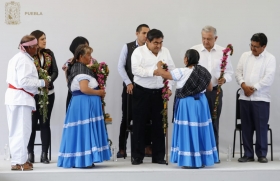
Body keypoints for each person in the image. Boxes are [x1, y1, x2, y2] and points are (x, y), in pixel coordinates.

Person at [155, 49, 219, 168]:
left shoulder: (181, 71)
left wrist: (159, 64)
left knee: (188, 130)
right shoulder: (204, 71)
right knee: (200, 129)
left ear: (186, 59)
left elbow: (163, 74)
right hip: (201, 103)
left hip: (187, 103)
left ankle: (189, 160)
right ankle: (202, 158)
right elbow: (210, 88)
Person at [57, 44, 111, 168]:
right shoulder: (81, 70)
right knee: (84, 131)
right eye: (88, 55)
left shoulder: (79, 68)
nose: (90, 57)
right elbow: (84, 88)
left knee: (82, 131)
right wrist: (99, 92)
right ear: (81, 56)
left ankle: (84, 158)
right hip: (84, 104)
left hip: (83, 103)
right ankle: (84, 160)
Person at [131, 29, 175, 165]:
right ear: (147, 41)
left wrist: (169, 88)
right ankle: (137, 156)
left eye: (160, 42)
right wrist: (154, 72)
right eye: (155, 43)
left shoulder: (165, 52)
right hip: (142, 92)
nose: (158, 46)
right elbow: (135, 70)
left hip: (159, 93)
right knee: (139, 124)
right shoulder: (138, 52)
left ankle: (159, 156)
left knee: (159, 125)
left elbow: (172, 71)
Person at [5, 35, 49, 171]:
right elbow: (24, 81)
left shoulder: (17, 58)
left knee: (16, 131)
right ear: (29, 47)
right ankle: (20, 161)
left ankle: (18, 161)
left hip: (15, 98)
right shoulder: (24, 60)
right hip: (21, 99)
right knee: (22, 131)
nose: (36, 48)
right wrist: (42, 82)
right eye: (35, 46)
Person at [191, 25, 234, 161]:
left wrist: (224, 78)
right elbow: (189, 70)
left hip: (215, 92)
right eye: (203, 38)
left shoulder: (223, 52)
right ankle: (199, 153)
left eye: (209, 39)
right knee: (198, 122)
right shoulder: (194, 50)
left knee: (213, 122)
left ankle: (213, 154)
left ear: (216, 38)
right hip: (198, 93)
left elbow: (230, 72)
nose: (206, 41)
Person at [235, 33, 276, 163]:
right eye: (251, 45)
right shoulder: (245, 56)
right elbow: (238, 72)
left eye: (256, 47)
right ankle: (248, 154)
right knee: (246, 126)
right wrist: (243, 85)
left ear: (264, 46)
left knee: (261, 127)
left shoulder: (270, 58)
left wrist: (252, 88)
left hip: (261, 99)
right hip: (244, 98)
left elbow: (268, 78)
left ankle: (262, 154)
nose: (253, 49)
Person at [117, 24, 152, 158]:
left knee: (147, 117)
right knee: (127, 117)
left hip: (146, 89)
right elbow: (120, 66)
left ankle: (147, 146)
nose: (146, 36)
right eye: (143, 33)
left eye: (148, 33)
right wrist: (128, 82)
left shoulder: (150, 48)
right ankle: (122, 148)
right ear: (136, 34)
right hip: (130, 88)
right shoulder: (128, 47)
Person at [27, 30, 58, 164]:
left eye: (45, 38)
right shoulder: (28, 56)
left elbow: (55, 71)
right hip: (33, 94)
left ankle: (44, 154)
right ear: (35, 41)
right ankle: (30, 154)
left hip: (48, 94)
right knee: (32, 124)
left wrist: (48, 81)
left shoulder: (49, 54)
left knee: (45, 123)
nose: (45, 41)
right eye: (42, 39)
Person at [62, 36, 97, 112]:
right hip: (74, 95)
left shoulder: (93, 62)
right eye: (85, 46)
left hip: (90, 94)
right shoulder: (69, 63)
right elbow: (68, 82)